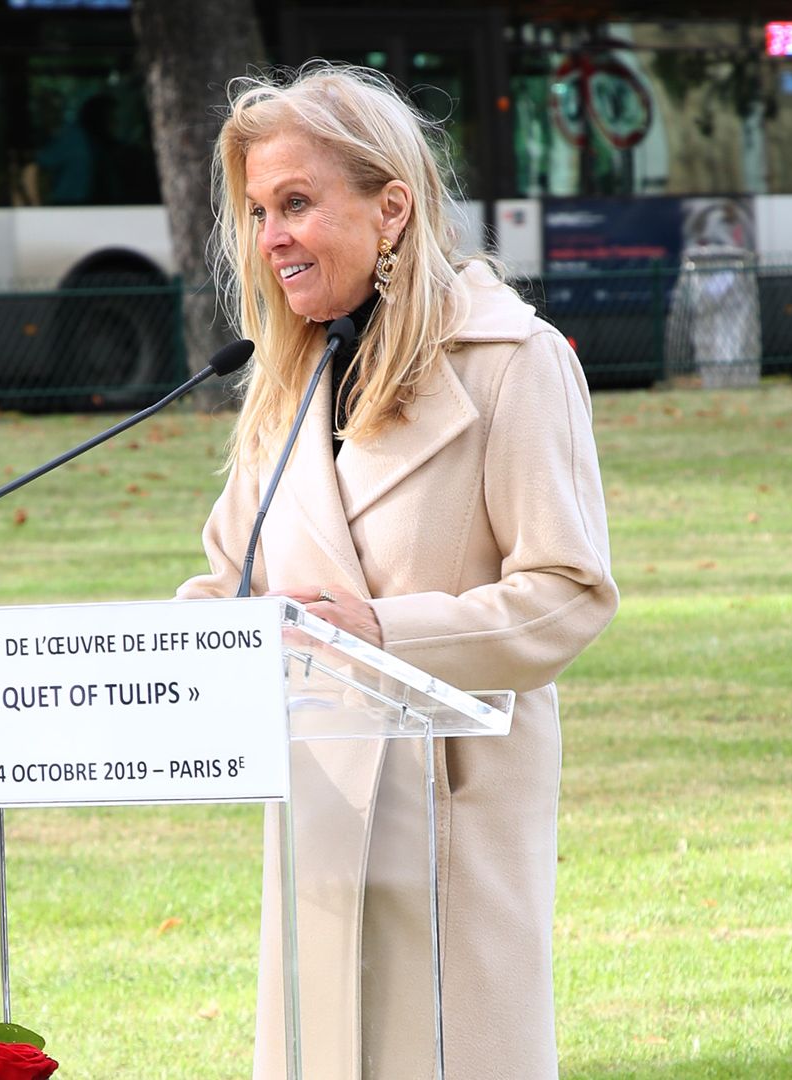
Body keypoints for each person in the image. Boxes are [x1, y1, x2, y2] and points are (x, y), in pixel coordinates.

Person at [177, 65, 618, 1079]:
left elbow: (567, 593)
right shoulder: (285, 385)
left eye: (296, 203)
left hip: (456, 822)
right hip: (320, 816)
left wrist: (385, 631)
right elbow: (228, 582)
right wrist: (173, 648)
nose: (271, 235)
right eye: (255, 211)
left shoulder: (515, 362)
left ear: (391, 210)